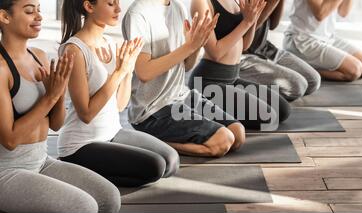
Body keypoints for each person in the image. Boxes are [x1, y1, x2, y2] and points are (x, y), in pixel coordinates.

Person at [0, 0, 120, 213]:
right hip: (7, 172)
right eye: (29, 11)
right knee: (84, 206)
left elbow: (56, 124)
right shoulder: (2, 69)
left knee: (109, 198)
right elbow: (10, 139)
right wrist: (50, 96)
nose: (38, 16)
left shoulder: (40, 57)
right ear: (4, 17)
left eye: (38, 9)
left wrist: (59, 91)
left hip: (41, 161)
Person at [58, 0, 180, 187]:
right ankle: (78, 171)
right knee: (155, 166)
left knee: (171, 161)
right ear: (89, 7)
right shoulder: (74, 50)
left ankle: (98, 170)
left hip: (113, 132)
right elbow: (87, 114)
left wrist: (128, 69)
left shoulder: (111, 43)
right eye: (110, 3)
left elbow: (120, 105)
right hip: (81, 144)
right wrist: (119, 72)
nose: (118, 9)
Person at [122, 0, 246, 158]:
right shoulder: (137, 14)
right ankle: (148, 142)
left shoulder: (177, 7)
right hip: (153, 111)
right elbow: (144, 72)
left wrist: (196, 45)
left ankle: (155, 140)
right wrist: (189, 47)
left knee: (237, 134)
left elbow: (186, 66)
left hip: (181, 96)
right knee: (223, 141)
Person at [189, 0, 291, 131]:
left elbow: (245, 45)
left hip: (232, 79)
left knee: (283, 110)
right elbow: (215, 52)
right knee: (268, 117)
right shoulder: (201, 3)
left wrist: (253, 18)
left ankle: (216, 109)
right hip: (208, 83)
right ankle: (200, 105)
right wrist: (246, 22)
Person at [240, 0, 321, 101]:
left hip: (264, 48)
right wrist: (271, 3)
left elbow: (273, 25)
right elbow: (244, 36)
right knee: (297, 87)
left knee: (313, 81)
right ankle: (236, 86)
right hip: (242, 53)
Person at [283, 0, 362, 81]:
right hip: (302, 40)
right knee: (354, 71)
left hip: (327, 37)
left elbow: (343, 12)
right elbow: (321, 13)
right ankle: (302, 70)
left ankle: (306, 66)